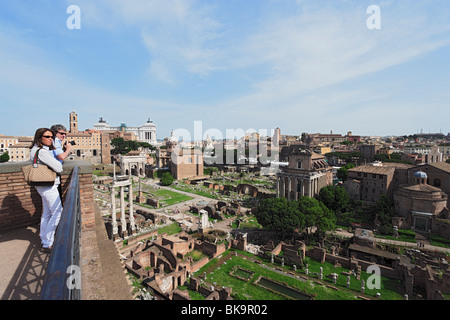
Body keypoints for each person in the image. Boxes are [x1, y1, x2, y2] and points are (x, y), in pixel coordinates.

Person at [30, 128, 63, 252]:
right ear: (40, 138)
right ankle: (48, 242)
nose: (51, 139)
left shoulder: (34, 150)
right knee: (58, 212)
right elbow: (59, 167)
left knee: (47, 214)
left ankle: (44, 239)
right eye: (47, 137)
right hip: (49, 186)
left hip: (41, 186)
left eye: (52, 137)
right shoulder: (42, 152)